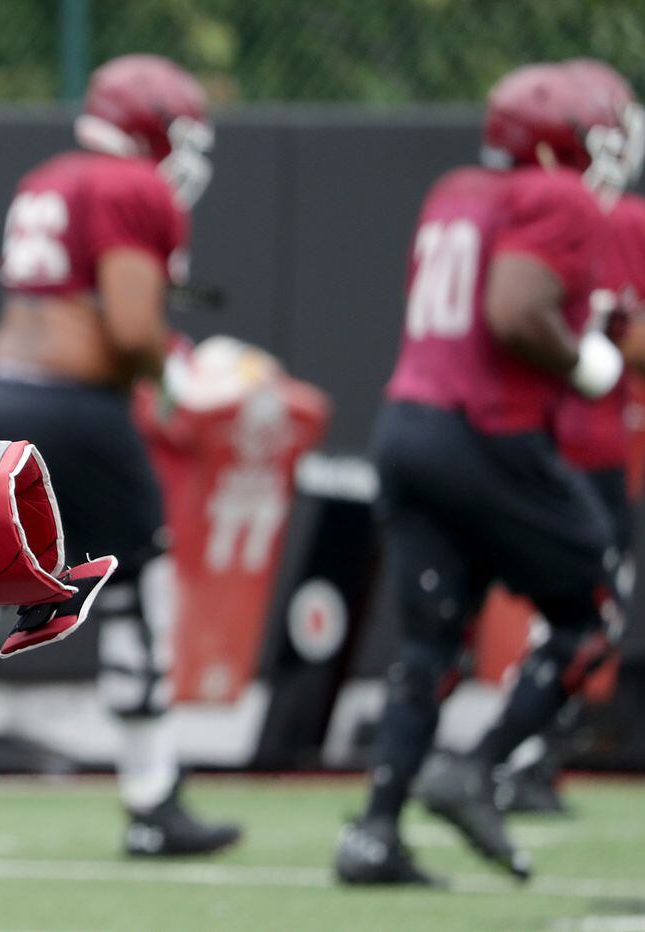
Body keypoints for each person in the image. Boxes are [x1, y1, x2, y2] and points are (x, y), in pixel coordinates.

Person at [333, 60, 629, 887]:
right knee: (595, 610)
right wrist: (587, 367)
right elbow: (513, 312)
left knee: (432, 638)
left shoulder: (457, 189)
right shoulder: (561, 197)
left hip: (408, 426)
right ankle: (481, 766)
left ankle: (374, 834)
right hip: (485, 432)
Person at [0, 53, 242, 857]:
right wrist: (184, 373)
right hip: (76, 410)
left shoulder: (51, 176)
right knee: (137, 589)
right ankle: (154, 799)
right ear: (154, 128)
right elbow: (129, 329)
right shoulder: (133, 187)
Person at [492, 59, 645, 815]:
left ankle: (522, 753)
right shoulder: (587, 214)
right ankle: (511, 755)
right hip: (559, 436)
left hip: (534, 437)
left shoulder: (500, 202)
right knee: (583, 609)